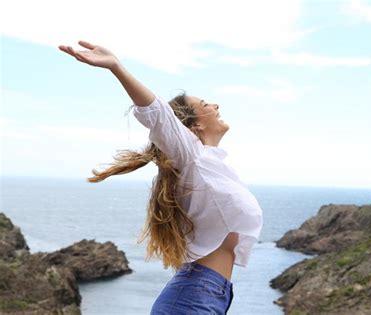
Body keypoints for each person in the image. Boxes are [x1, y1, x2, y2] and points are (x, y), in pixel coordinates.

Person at [58, 40, 263, 314]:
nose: (215, 105)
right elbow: (158, 116)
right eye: (205, 104)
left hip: (212, 293)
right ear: (195, 124)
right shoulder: (191, 156)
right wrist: (117, 67)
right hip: (195, 295)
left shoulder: (213, 165)